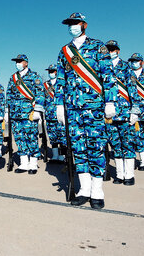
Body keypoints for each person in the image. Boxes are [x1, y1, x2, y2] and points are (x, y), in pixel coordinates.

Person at [55, 12, 117, 209]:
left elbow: (108, 75)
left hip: (94, 106)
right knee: (79, 148)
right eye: (70, 24)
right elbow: (61, 80)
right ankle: (84, 189)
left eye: (75, 23)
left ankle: (97, 190)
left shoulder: (98, 47)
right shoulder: (65, 51)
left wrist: (110, 101)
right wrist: (59, 105)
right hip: (73, 108)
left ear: (84, 25)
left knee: (96, 147)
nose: (72, 26)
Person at [104, 41, 141, 185]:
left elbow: (133, 89)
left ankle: (129, 175)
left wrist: (135, 111)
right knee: (115, 145)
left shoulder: (125, 67)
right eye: (108, 49)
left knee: (128, 144)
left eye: (112, 49)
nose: (110, 51)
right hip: (109, 114)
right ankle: (119, 175)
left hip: (125, 113)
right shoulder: (103, 67)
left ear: (118, 51)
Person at [5, 54, 45, 174]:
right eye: (16, 61)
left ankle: (33, 163)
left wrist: (38, 110)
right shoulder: (13, 77)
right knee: (19, 138)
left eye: (20, 61)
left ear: (26, 63)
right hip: (16, 114)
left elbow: (40, 93)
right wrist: (7, 111)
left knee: (31, 137)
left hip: (29, 113)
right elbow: (9, 94)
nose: (17, 63)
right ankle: (24, 163)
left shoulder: (34, 76)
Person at [44, 64, 65, 162]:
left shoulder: (62, 83)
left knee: (62, 136)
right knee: (53, 136)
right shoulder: (45, 85)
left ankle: (63, 156)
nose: (50, 73)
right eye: (49, 71)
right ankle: (55, 156)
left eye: (52, 71)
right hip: (49, 115)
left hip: (60, 114)